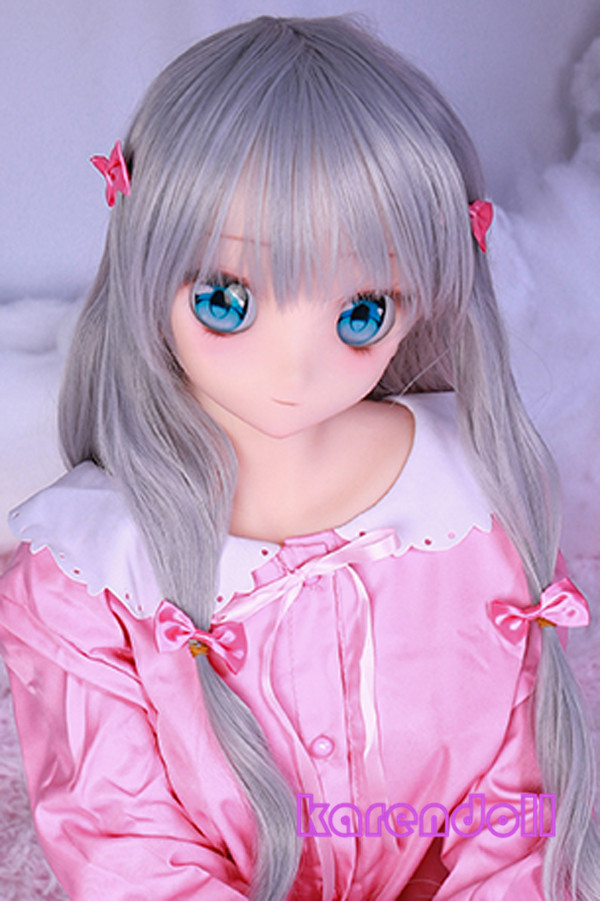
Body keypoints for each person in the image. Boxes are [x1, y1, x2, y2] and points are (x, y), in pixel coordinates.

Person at [0, 15, 598, 901]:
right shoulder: (87, 572)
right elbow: (126, 846)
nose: (295, 370)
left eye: (361, 313)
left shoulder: (474, 500)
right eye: (227, 300)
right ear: (148, 261)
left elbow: (515, 809)